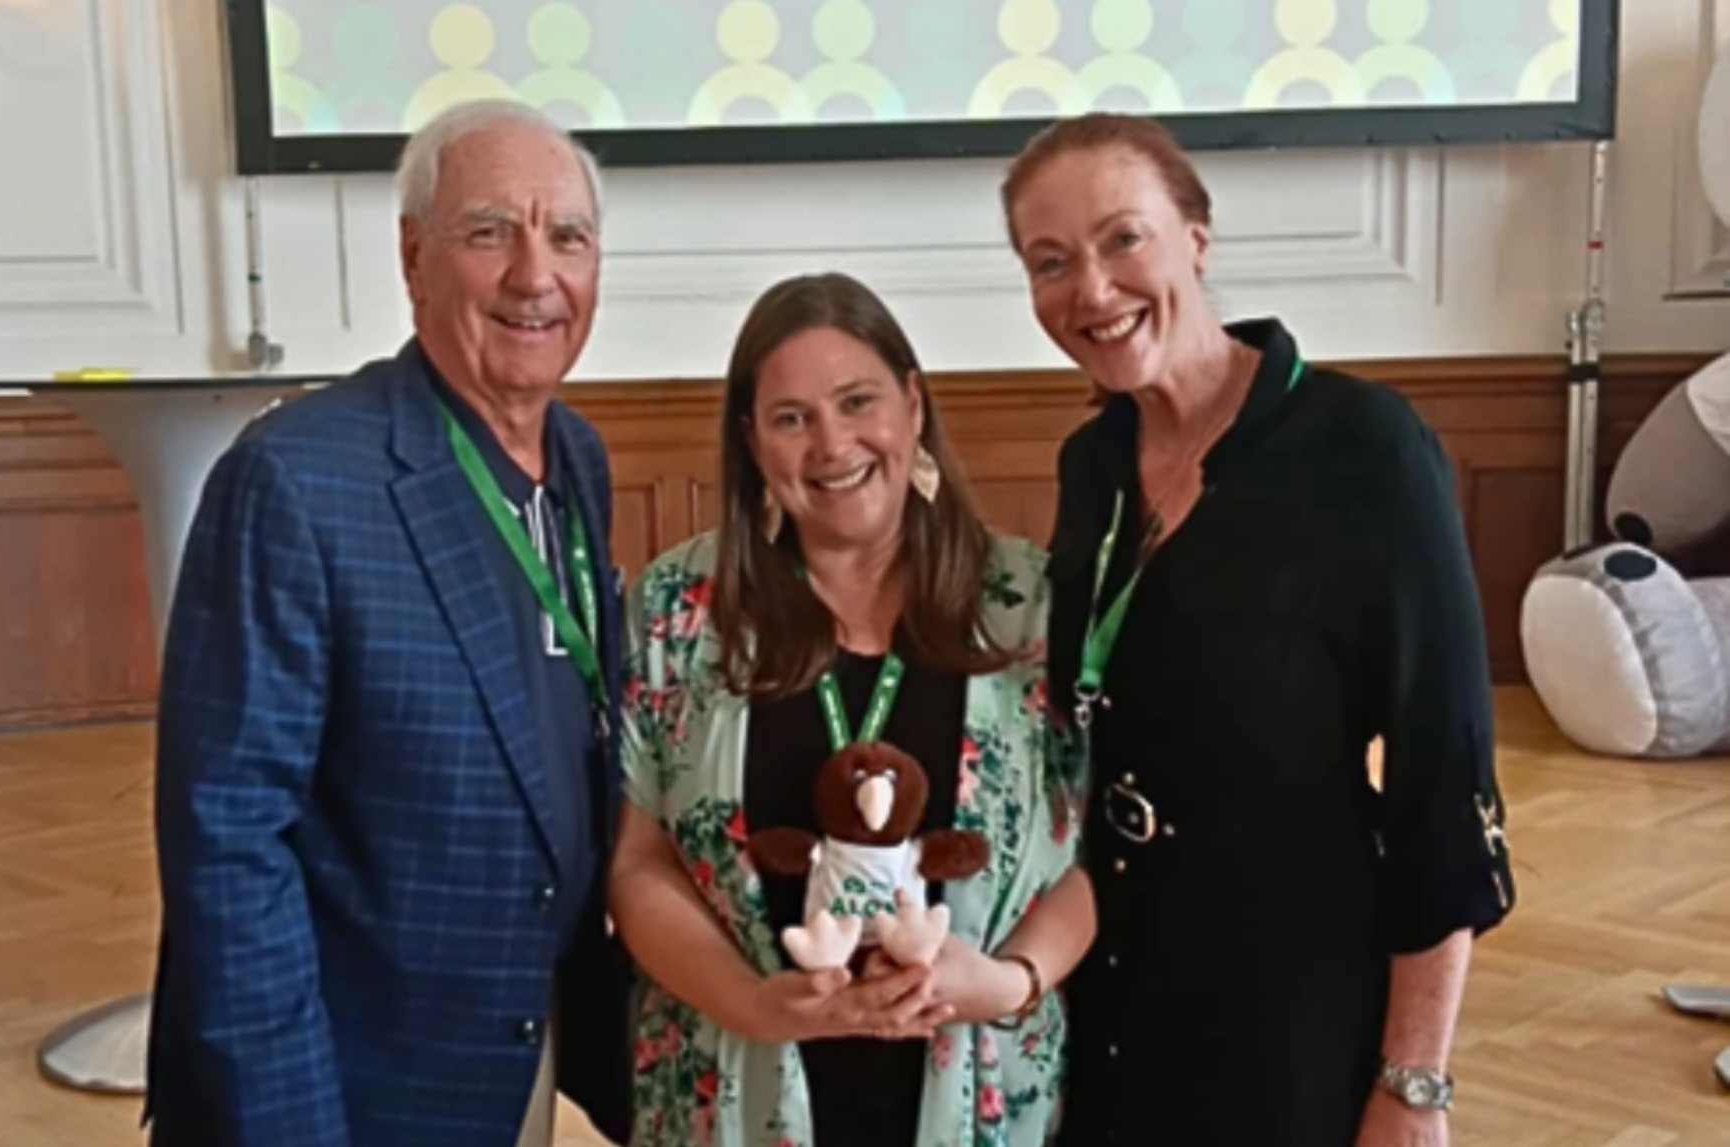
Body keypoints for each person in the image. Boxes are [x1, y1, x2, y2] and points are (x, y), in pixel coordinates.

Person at [1001, 113, 1517, 1147]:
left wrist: (1414, 1084)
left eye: (1122, 238)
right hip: (1109, 993)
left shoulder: (1362, 448)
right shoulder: (1091, 465)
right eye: (1049, 262)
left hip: (1290, 1002)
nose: (1090, 290)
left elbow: (1444, 782)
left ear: (1196, 236)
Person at [145, 100, 632, 1147]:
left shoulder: (579, 460)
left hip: (514, 1039)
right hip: (354, 1079)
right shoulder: (297, 480)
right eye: (490, 231)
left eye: (568, 237)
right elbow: (229, 842)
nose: (535, 275)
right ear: (414, 256)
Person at [606, 272, 1095, 1147]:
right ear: (752, 441)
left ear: (913, 404)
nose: (832, 444)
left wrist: (1011, 980)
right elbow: (637, 861)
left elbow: (1097, 858)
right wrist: (756, 1004)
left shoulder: (1032, 608)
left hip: (982, 1085)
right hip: (735, 1088)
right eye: (791, 418)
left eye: (858, 401)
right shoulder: (680, 609)